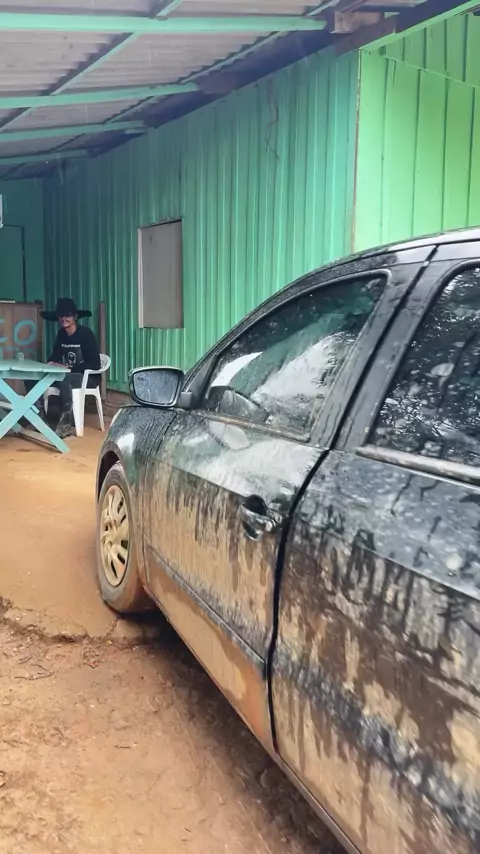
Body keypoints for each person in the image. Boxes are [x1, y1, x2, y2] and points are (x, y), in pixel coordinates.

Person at [25, 297, 101, 439]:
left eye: (68, 315)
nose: (64, 319)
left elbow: (95, 364)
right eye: (61, 315)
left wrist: (70, 368)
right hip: (68, 374)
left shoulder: (85, 334)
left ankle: (65, 424)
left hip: (88, 377)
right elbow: (55, 355)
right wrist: (51, 363)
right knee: (32, 378)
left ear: (75, 317)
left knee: (64, 378)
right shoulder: (61, 334)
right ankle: (39, 418)